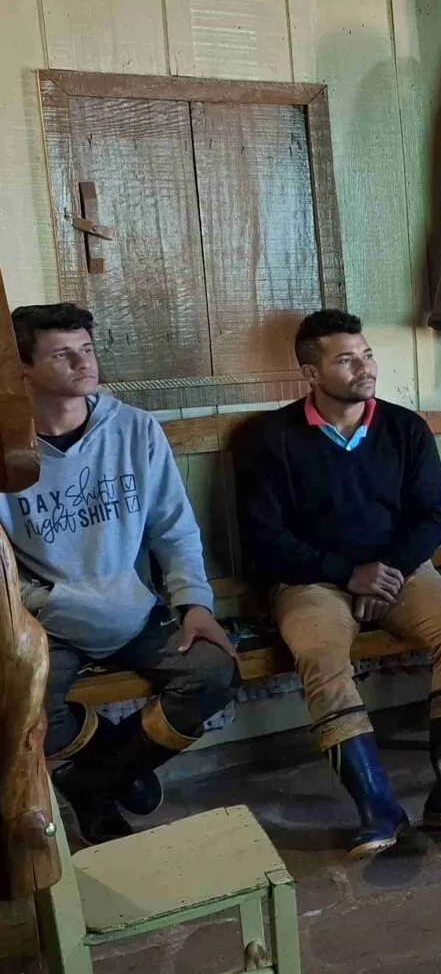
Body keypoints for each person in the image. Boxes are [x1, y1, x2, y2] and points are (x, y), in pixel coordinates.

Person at [235, 310, 441, 859]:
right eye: (346, 359)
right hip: (310, 581)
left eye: (367, 354)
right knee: (319, 653)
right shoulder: (270, 439)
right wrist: (347, 573)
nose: (364, 367)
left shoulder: (404, 428)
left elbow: (430, 517)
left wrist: (385, 572)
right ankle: (377, 807)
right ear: (311, 373)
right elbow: (263, 539)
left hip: (400, 571)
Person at [0, 303, 238, 845]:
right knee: (22, 706)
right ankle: (114, 775)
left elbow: (172, 529)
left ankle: (95, 782)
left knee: (214, 672)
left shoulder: (134, 429)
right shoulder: (7, 452)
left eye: (87, 349)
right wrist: (44, 603)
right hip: (49, 617)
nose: (84, 363)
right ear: (24, 371)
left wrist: (194, 605)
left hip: (133, 608)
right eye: (63, 354)